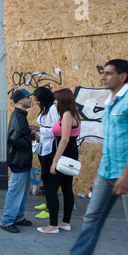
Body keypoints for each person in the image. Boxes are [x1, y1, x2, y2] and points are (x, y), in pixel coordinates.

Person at [52, 59, 128, 255]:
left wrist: (126, 175)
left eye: (109, 74)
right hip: (106, 173)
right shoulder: (110, 103)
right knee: (92, 218)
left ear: (123, 77)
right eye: (104, 73)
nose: (103, 77)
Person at [37, 89, 80, 234]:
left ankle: (53, 225)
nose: (54, 102)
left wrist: (54, 161)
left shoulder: (67, 115)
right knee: (67, 188)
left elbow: (65, 139)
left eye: (56, 100)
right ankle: (65, 222)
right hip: (71, 153)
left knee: (50, 188)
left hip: (64, 154)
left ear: (63, 100)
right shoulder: (73, 113)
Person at [0, 89, 38, 233]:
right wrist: (31, 137)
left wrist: (29, 133)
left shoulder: (21, 116)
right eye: (28, 97)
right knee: (15, 191)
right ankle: (6, 220)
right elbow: (15, 141)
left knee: (22, 192)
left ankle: (18, 217)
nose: (30, 99)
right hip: (19, 162)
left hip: (23, 161)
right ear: (20, 100)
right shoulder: (17, 117)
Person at [30, 87, 60, 219]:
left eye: (38, 100)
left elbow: (56, 130)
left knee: (49, 178)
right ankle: (47, 201)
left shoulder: (53, 110)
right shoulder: (44, 109)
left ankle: (49, 208)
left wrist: (39, 129)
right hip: (43, 147)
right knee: (45, 176)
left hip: (50, 148)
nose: (36, 102)